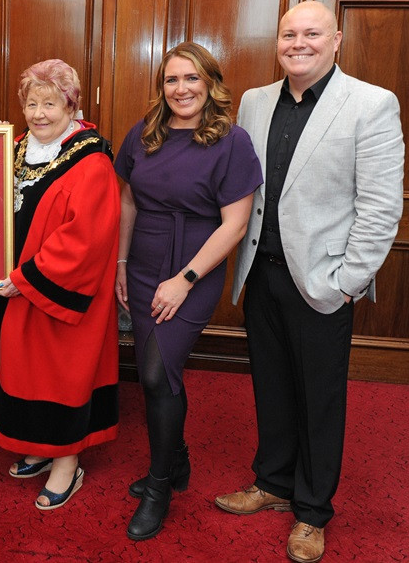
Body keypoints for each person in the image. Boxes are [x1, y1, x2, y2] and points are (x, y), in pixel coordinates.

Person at [215, 1, 404, 563]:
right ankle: (272, 482)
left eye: (312, 33)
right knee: (271, 388)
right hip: (262, 274)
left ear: (337, 39)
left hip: (322, 282)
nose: (299, 43)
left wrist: (348, 282)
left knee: (319, 399)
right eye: (289, 34)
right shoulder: (254, 101)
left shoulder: (371, 104)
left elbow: (379, 207)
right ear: (277, 41)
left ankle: (312, 511)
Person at [0, 59, 120, 511]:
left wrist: (22, 279)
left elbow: (83, 241)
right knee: (22, 368)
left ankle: (66, 460)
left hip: (57, 295)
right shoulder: (14, 148)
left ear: (72, 105)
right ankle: (39, 447)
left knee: (60, 375)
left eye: (51, 103)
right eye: (31, 103)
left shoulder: (92, 162)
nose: (40, 113)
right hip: (12, 291)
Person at [115, 42, 263, 540]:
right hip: (142, 262)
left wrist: (185, 280)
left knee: (157, 372)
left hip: (195, 263)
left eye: (191, 79)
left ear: (210, 83)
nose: (181, 89)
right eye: (172, 80)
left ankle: (160, 486)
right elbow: (129, 202)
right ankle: (175, 462)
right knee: (153, 369)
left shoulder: (232, 141)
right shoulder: (145, 134)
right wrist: (119, 262)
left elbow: (235, 225)